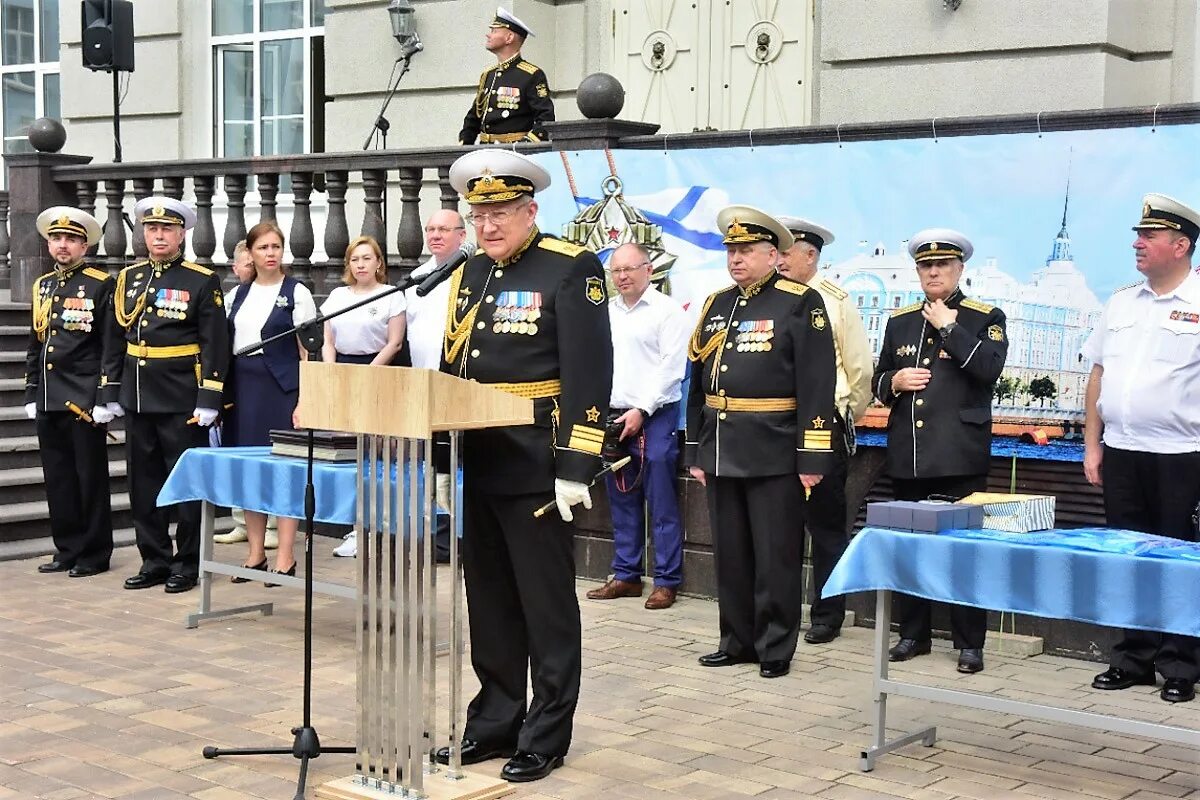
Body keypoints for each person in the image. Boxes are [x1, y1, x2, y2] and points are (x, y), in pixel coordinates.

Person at [432, 149, 612, 783]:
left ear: (531, 210)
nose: (488, 225)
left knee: (545, 605)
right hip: (478, 458)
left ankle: (547, 732)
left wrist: (577, 461)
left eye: (502, 212)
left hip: (539, 462)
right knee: (490, 603)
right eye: (479, 213)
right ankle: (494, 721)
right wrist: (439, 453)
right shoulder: (471, 272)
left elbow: (590, 370)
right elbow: (458, 366)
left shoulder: (570, 268)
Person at [685, 206, 837, 680]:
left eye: (747, 250)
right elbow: (697, 381)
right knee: (731, 553)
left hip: (775, 448)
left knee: (775, 555)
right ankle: (736, 640)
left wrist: (813, 454)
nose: (736, 259)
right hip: (722, 446)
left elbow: (818, 382)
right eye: (731, 250)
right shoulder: (716, 304)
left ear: (774, 254)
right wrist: (695, 448)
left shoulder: (800, 302)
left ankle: (775, 647)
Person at [871, 228, 1007, 674]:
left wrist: (949, 326)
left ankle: (971, 643)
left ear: (959, 269)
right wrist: (893, 382)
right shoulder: (900, 321)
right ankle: (914, 633)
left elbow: (988, 369)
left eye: (942, 265)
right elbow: (877, 378)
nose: (933, 272)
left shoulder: (985, 316)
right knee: (912, 549)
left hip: (959, 454)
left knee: (964, 552)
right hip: (911, 455)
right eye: (925, 266)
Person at [1083, 194, 1200, 705]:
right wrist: (1092, 443)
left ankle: (1181, 665)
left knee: (1178, 561)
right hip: (1124, 451)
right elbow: (1099, 375)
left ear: (1181, 245)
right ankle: (1131, 657)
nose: (1137, 243)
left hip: (1183, 454)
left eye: (1148, 236)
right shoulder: (1121, 302)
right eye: (1138, 234)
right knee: (1128, 558)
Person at [100, 197, 230, 593]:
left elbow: (215, 343)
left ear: (182, 234)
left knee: (186, 484)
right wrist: (109, 389)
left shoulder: (201, 279)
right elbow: (113, 338)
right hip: (137, 395)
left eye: (167, 229)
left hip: (181, 398)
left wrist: (209, 397)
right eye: (152, 229)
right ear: (143, 233)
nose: (159, 235)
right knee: (144, 483)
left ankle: (187, 563)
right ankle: (153, 558)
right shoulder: (128, 279)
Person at [776, 216, 873, 644]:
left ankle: (827, 614)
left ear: (810, 255)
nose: (778, 261)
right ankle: (779, 611)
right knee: (777, 524)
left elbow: (859, 371)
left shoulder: (835, 301)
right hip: (775, 425)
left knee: (826, 527)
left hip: (822, 427)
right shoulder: (768, 298)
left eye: (786, 253)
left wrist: (841, 416)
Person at [586, 242, 689, 610]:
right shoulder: (606, 312)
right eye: (616, 271)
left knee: (660, 499)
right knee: (620, 496)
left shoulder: (668, 311)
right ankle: (626, 574)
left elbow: (671, 369)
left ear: (650, 270)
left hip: (655, 415)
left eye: (631, 269)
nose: (623, 276)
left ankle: (666, 580)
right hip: (614, 415)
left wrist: (641, 410)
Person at [224, 221, 317, 585]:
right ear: (250, 252)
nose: (270, 253)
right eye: (263, 247)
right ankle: (255, 553)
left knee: (283, 472)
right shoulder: (237, 294)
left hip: (281, 389)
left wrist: (304, 400)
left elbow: (308, 350)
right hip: (244, 389)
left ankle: (285, 554)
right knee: (250, 471)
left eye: (276, 246)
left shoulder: (297, 293)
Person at [24, 206, 113, 577]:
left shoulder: (100, 284)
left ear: (85, 245)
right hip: (49, 396)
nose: (63, 246)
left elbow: (110, 344)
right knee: (58, 478)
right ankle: (67, 548)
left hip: (82, 397)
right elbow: (37, 342)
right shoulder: (43, 285)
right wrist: (31, 390)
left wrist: (105, 396)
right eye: (57, 239)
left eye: (72, 240)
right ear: (48, 243)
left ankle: (93, 553)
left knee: (88, 478)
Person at [214, 239, 278, 548]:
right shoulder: (230, 298)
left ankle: (274, 525)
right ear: (236, 267)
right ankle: (242, 520)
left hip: (269, 382)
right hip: (237, 380)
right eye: (247, 263)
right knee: (238, 451)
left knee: (268, 453)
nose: (252, 268)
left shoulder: (281, 293)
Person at [458, 8, 554, 145]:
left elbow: (545, 119)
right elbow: (474, 117)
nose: (488, 35)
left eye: (494, 31)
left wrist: (525, 145)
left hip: (512, 153)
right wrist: (464, 143)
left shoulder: (531, 75)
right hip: (484, 151)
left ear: (509, 38)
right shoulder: (488, 75)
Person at [320, 236, 407, 367]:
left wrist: (368, 372)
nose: (360, 265)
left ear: (378, 262)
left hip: (377, 366)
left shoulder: (392, 295)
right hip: (340, 365)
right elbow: (328, 341)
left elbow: (395, 343)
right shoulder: (337, 295)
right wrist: (330, 369)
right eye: (354, 260)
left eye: (366, 259)